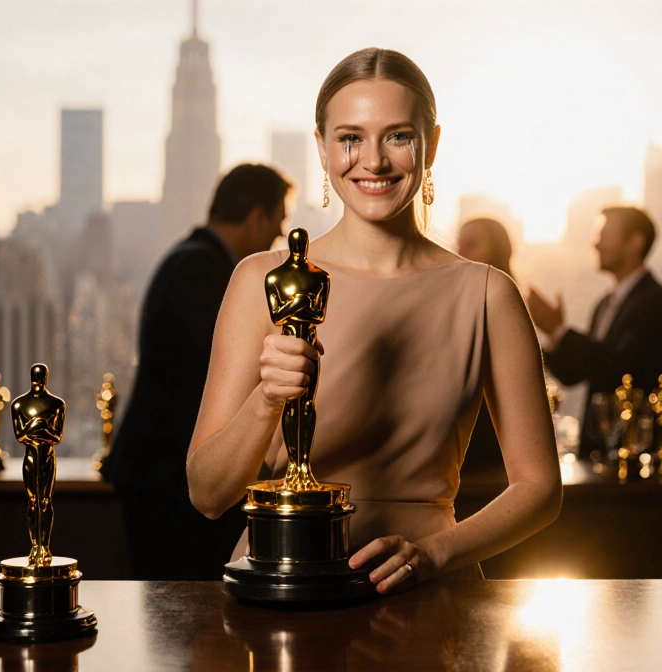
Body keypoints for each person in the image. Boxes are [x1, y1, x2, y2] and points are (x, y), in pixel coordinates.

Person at [186, 48, 561, 594]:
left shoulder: (488, 294)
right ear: (322, 147)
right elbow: (207, 495)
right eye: (350, 138)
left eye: (398, 136)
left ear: (432, 145)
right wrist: (266, 398)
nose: (374, 161)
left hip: (430, 598)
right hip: (283, 588)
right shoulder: (261, 279)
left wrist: (433, 554)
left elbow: (540, 488)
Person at [104, 164, 292, 580]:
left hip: (161, 476)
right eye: (277, 225)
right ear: (257, 217)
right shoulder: (202, 270)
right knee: (184, 606)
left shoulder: (189, 259)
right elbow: (234, 366)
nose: (278, 238)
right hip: (168, 482)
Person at [526, 206, 662, 456]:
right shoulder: (604, 304)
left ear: (634, 242)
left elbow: (623, 369)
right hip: (598, 446)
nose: (596, 244)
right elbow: (576, 374)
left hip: (639, 448)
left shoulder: (659, 302)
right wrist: (551, 336)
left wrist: (560, 331)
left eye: (604, 235)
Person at [455, 217, 515, 475]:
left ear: (496, 252)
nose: (460, 253)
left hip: (487, 451)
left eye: (471, 244)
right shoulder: (456, 303)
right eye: (459, 244)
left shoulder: (505, 309)